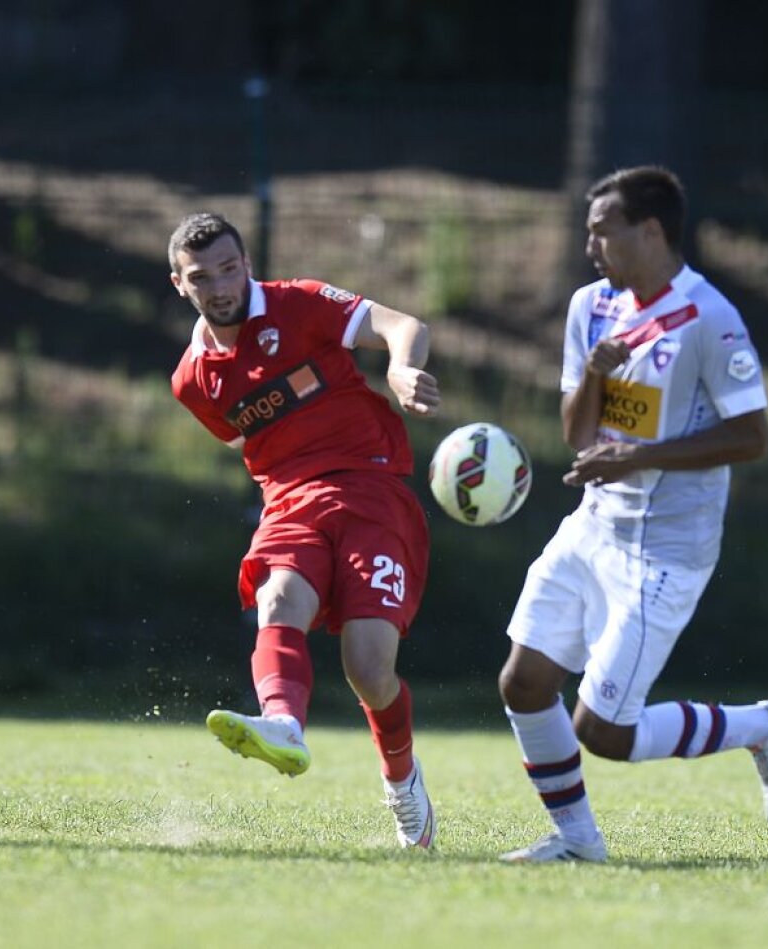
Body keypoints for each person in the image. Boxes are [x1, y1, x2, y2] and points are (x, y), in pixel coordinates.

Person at [496, 166, 768, 863]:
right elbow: (577, 434)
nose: (591, 246)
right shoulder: (590, 308)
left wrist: (637, 459)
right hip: (592, 525)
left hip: (666, 549)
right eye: (588, 232)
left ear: (652, 230)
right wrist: (599, 376)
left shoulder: (711, 318)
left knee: (604, 730)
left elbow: (751, 436)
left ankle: (763, 724)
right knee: (523, 680)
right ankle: (578, 842)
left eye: (603, 231)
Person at [168, 211, 440, 849]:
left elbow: (404, 326)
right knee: (277, 598)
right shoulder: (192, 382)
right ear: (180, 284)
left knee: (369, 668)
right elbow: (249, 442)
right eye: (202, 277)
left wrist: (400, 368)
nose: (220, 286)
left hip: (371, 489)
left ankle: (404, 788)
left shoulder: (301, 304)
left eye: (229, 269)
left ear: (247, 265)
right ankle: (283, 725)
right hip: (290, 502)